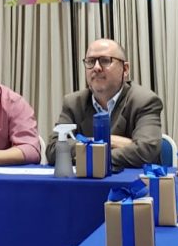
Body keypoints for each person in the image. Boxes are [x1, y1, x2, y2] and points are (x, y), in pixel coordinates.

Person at [45, 38, 163, 168]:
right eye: (90, 61)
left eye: (105, 61)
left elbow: (146, 151)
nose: (96, 67)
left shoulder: (144, 101)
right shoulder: (73, 103)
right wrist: (105, 142)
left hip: (130, 180)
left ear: (125, 69)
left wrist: (85, 150)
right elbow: (53, 150)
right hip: (85, 180)